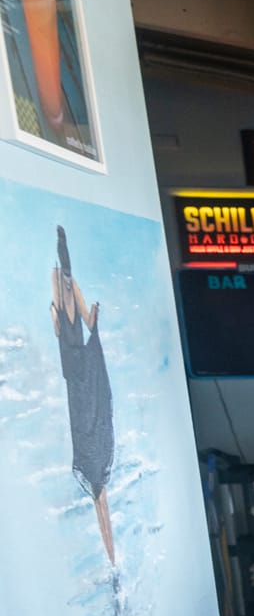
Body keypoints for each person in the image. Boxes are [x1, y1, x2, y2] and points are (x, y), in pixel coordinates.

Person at [51, 226, 115, 564]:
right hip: (79, 379)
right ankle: (111, 555)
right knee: (97, 483)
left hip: (79, 379)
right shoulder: (63, 301)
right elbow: (83, 318)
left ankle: (111, 555)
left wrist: (88, 313)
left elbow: (82, 318)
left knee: (97, 484)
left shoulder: (63, 301)